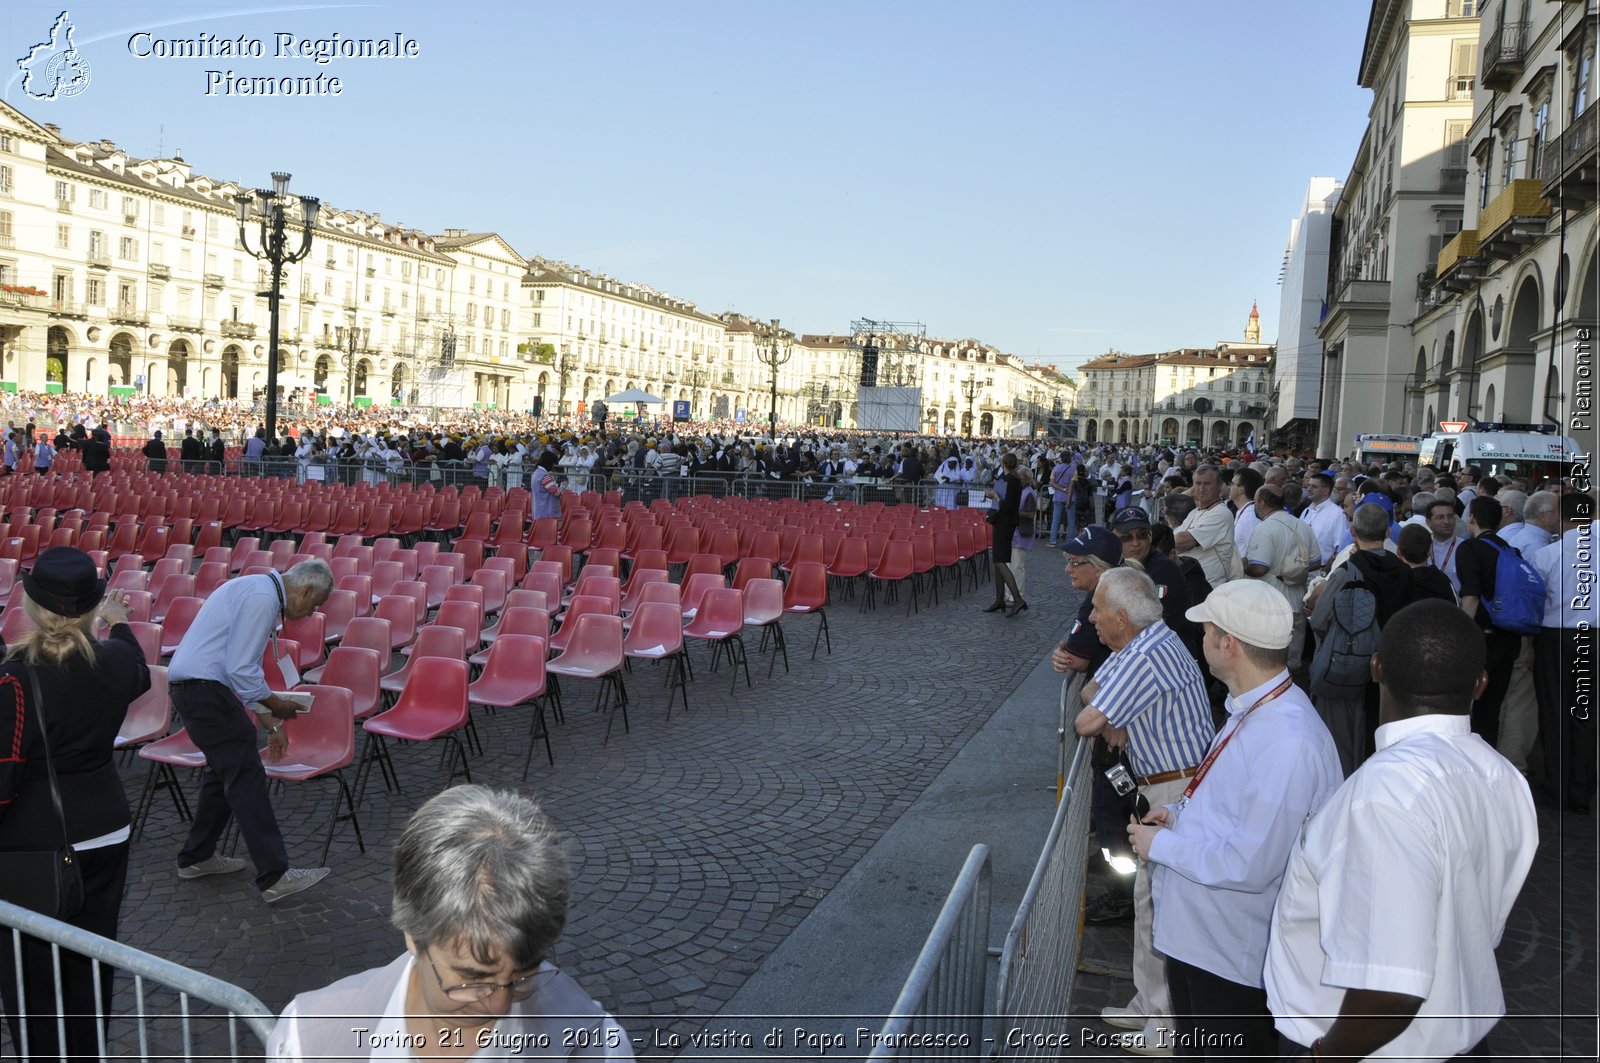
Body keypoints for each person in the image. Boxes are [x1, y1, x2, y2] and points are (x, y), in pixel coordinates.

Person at [1265, 600, 1538, 1060]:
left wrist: (1323, 1057)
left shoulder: (1384, 795)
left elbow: (1390, 990)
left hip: (1368, 1049)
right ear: (1481, 683)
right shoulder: (1503, 776)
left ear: (1376, 667)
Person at [1126, 579, 1341, 1059]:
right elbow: (1235, 809)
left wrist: (1158, 846)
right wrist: (1180, 813)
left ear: (1229, 644)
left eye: (1206, 632)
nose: (1200, 642)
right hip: (1202, 939)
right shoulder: (1255, 710)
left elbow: (1251, 863)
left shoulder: (1287, 739)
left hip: (1230, 953)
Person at [267, 785, 633, 1060]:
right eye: (473, 978)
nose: (500, 1006)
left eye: (523, 975)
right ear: (413, 933)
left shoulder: (594, 1047)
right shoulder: (308, 1038)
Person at [0, 548, 150, 1060]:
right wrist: (119, 622)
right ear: (90, 609)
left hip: (34, 841)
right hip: (107, 827)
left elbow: (4, 776)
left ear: (31, 604)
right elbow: (136, 667)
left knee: (30, 974)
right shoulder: (112, 661)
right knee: (91, 959)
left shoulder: (15, 677)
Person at [1073, 568, 1215, 1053]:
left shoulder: (1146, 652)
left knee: (1162, 907)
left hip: (1175, 790)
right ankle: (1148, 1005)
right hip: (1165, 785)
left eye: (1096, 609)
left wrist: (1112, 718)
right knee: (1147, 900)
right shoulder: (1142, 643)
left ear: (1121, 617)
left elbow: (1086, 719)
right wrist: (1116, 715)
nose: (1089, 618)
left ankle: (1164, 1028)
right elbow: (1095, 690)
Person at [168, 559, 335, 903]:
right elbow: (241, 668)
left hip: (196, 689)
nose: (309, 613)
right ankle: (274, 875)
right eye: (314, 604)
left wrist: (268, 722)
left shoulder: (253, 588)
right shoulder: (263, 598)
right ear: (304, 590)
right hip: (204, 690)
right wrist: (274, 712)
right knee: (245, 777)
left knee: (223, 772)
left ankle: (197, 856)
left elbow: (240, 669)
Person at [1530, 510, 1598, 813]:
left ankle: (1557, 787)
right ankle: (1581, 789)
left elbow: (1536, 599)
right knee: (1586, 713)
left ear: (1561, 518)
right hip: (1593, 635)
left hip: (1556, 636)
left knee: (1555, 709)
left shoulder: (1547, 554)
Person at [1454, 495, 1523, 748]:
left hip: (1482, 638)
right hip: (1509, 636)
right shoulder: (1509, 548)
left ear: (1471, 518)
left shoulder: (1469, 548)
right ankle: (1488, 758)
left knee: (1465, 709)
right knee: (1491, 710)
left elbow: (1470, 595)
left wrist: (1460, 636)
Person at [1173, 465, 1236, 592]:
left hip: (1207, 588)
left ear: (1219, 486)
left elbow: (1179, 542)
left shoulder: (1221, 513)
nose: (1201, 489)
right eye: (1197, 483)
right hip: (1189, 584)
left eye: (1207, 484)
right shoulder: (1195, 512)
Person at [982, 452, 1027, 616]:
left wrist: (994, 496)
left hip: (1004, 523)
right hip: (1004, 522)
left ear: (1003, 464)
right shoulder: (1011, 480)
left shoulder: (1012, 481)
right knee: (997, 561)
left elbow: (1006, 505)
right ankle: (999, 599)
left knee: (1000, 561)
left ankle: (1017, 599)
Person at [531, 450, 563, 522]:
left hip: (538, 510)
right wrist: (563, 487)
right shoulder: (544, 476)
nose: (553, 466)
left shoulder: (536, 473)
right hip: (546, 512)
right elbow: (556, 492)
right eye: (553, 463)